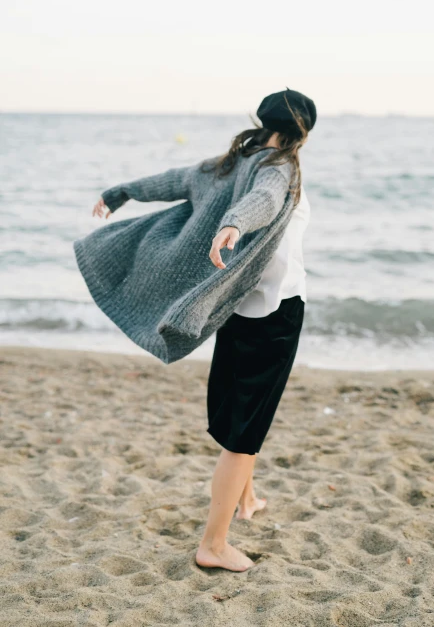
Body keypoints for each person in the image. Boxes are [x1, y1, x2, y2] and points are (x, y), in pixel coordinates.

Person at [79, 87, 316, 573]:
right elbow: (265, 202)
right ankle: (214, 543)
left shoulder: (231, 161)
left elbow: (173, 180)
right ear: (303, 133)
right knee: (244, 435)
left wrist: (120, 191)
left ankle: (246, 499)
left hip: (232, 306)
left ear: (261, 119)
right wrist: (233, 224)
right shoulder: (281, 169)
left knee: (242, 415)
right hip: (273, 312)